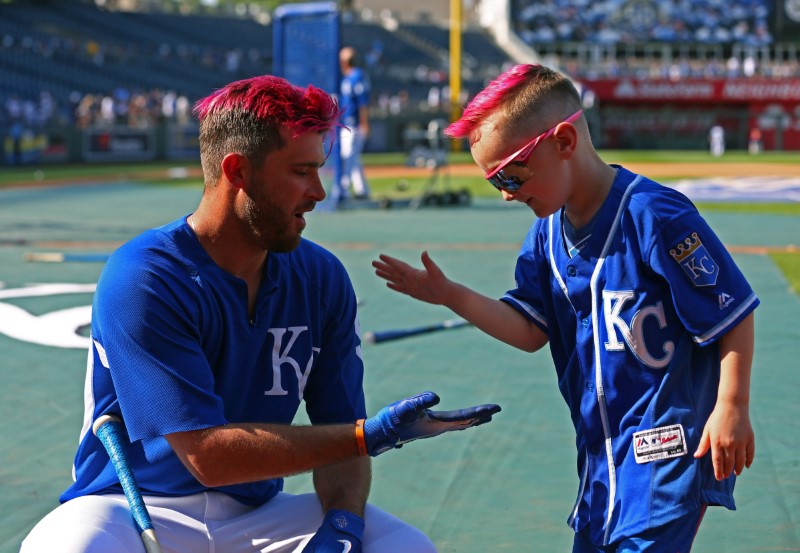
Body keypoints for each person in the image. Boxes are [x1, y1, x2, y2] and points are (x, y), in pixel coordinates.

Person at [21, 75, 501, 553]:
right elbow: (209, 457)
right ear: (239, 172)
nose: (318, 191)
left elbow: (339, 436)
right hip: (131, 507)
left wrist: (343, 526)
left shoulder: (321, 276)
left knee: (403, 547)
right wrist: (366, 437)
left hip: (259, 512)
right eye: (300, 171)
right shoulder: (145, 276)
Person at [372, 64, 757, 552]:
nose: (507, 193)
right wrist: (452, 294)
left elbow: (732, 311)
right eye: (495, 182)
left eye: (510, 175)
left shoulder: (656, 215)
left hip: (666, 456)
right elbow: (531, 330)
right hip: (601, 462)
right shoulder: (546, 235)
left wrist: (732, 406)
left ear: (564, 142)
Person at [339, 46, 371, 200]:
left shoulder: (357, 76)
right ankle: (362, 189)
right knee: (353, 157)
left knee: (348, 157)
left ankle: (343, 189)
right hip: (347, 122)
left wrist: (364, 123)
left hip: (355, 124)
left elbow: (362, 102)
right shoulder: (347, 77)